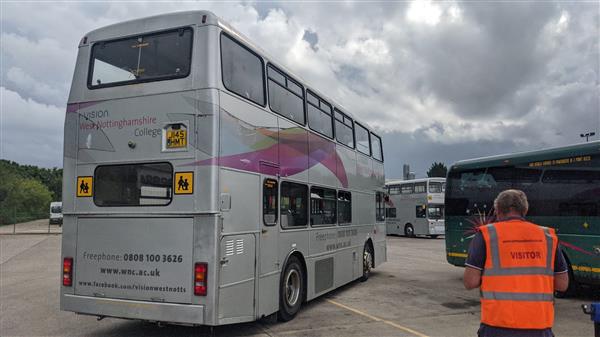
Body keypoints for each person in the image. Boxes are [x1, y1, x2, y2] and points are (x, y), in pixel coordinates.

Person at [463, 189, 569, 337]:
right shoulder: (548, 237)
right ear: (525, 210)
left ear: (497, 211)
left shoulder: (486, 235)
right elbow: (562, 285)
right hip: (539, 328)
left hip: (497, 326)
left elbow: (470, 282)